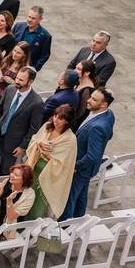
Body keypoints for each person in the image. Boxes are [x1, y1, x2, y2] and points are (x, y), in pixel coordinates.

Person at [61, 88, 115, 220]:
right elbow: (110, 135)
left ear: (104, 105)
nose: (89, 100)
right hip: (87, 168)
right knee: (80, 195)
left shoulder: (97, 127)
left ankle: (63, 227)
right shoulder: (109, 114)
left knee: (69, 198)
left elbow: (92, 156)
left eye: (94, 99)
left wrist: (75, 166)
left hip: (81, 168)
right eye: (91, 97)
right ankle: (79, 219)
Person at [0, 66, 44, 176]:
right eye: (17, 78)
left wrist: (23, 146)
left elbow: (34, 129)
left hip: (13, 145)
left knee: (4, 172)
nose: (17, 81)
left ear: (30, 82)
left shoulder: (37, 102)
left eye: (21, 80)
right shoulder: (10, 89)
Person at [25, 104, 76, 220]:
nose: (56, 120)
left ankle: (29, 231)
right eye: (55, 116)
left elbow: (66, 166)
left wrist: (48, 156)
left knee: (37, 207)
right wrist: (38, 144)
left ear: (67, 121)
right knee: (25, 200)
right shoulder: (47, 126)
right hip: (34, 166)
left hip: (49, 175)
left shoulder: (70, 140)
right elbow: (34, 139)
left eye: (61, 118)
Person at [11, 6, 51, 71]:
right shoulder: (18, 26)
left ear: (40, 19)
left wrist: (33, 69)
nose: (29, 20)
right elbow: (9, 42)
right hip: (11, 64)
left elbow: (44, 56)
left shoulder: (45, 36)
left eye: (33, 18)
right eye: (29, 17)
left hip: (26, 69)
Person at [71, 59, 98, 130]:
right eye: (76, 68)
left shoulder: (88, 91)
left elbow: (81, 113)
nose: (75, 70)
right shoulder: (78, 81)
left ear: (87, 73)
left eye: (79, 69)